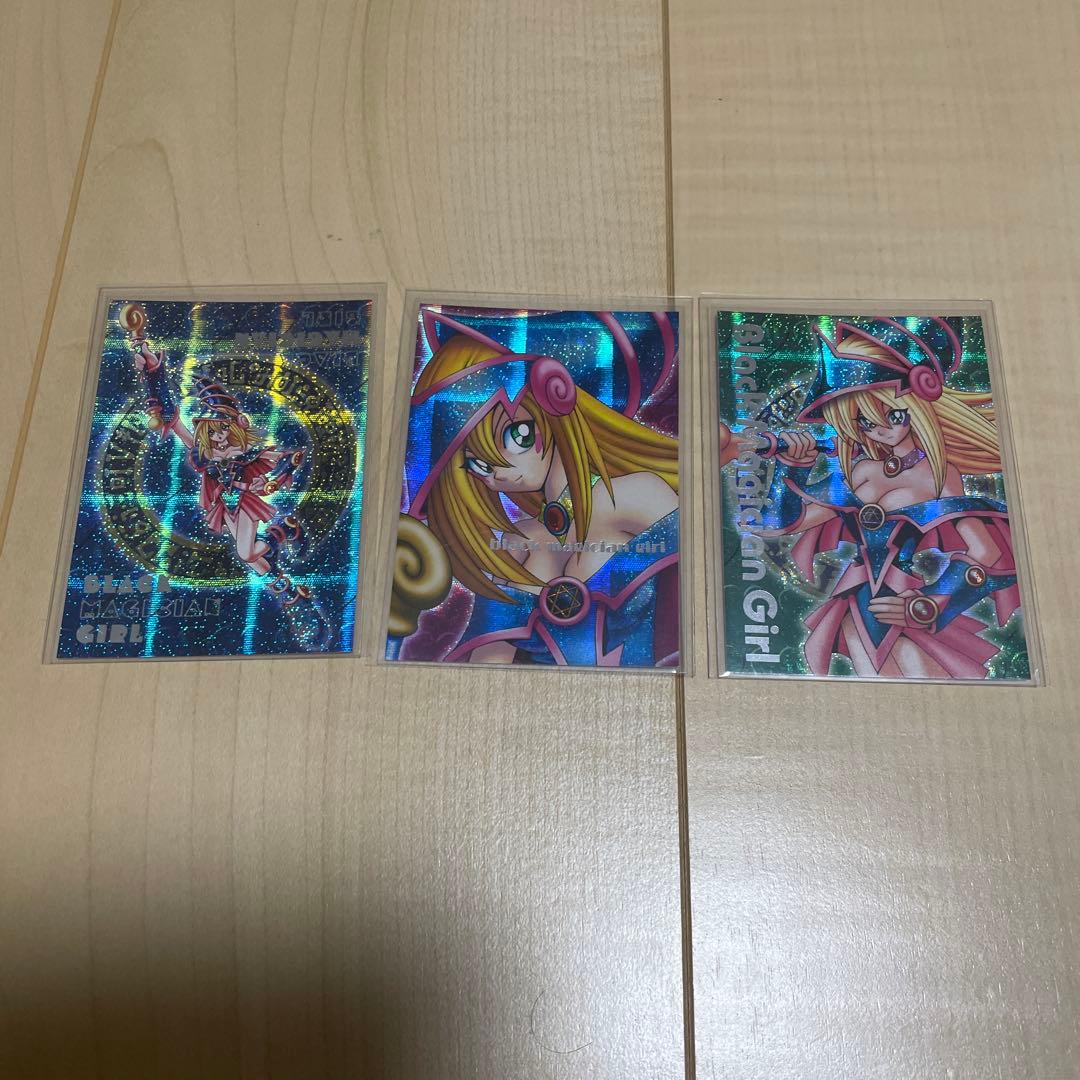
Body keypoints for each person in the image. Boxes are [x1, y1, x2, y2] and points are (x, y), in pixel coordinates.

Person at [398, 309, 681, 667]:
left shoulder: (634, 495)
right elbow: (488, 664)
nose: (498, 474)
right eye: (478, 465)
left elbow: (694, 601)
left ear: (552, 404)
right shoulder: (517, 544)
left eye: (514, 436)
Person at [749, 317, 1020, 679]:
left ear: (919, 410)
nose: (879, 429)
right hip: (857, 602)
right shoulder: (860, 470)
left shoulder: (937, 474)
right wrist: (793, 468)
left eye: (893, 415)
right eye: (864, 421)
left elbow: (985, 551)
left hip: (903, 603)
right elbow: (779, 525)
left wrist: (932, 603)